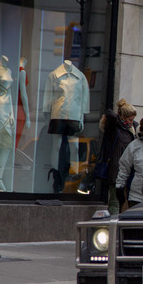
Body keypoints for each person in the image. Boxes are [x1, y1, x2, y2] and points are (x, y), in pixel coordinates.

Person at [42, 60, 90, 192]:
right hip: (58, 114)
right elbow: (48, 96)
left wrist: (82, 118)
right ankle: (56, 175)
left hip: (74, 115)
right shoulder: (54, 75)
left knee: (74, 146)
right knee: (56, 145)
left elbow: (84, 99)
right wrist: (47, 114)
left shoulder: (80, 77)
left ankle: (72, 173)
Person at [98, 99, 138, 215]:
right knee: (115, 201)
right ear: (123, 117)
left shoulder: (133, 128)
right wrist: (119, 113)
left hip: (129, 170)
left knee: (125, 201)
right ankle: (113, 226)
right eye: (130, 119)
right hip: (115, 170)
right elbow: (109, 113)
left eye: (133, 119)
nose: (132, 122)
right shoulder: (114, 127)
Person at [0, 55, 15, 192]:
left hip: (7, 110)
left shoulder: (9, 71)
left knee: (7, 145)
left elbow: (10, 94)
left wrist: (12, 113)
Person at [15, 57, 31, 149]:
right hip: (20, 111)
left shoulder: (13, 70)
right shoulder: (22, 71)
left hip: (13, 109)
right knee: (15, 141)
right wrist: (28, 116)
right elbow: (23, 95)